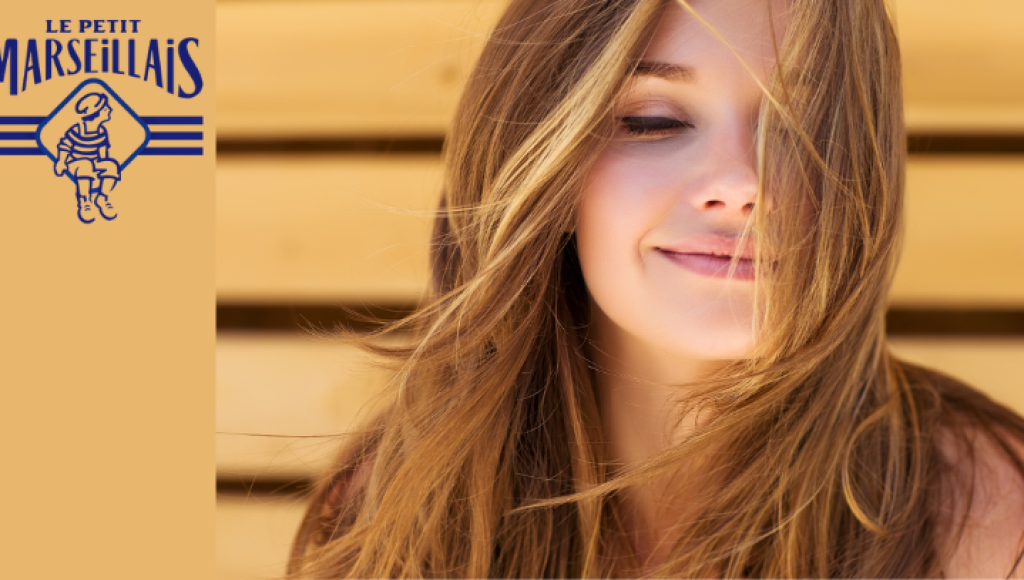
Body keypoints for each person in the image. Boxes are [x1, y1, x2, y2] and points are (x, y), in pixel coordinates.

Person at [287, 0, 1024, 576]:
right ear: (549, 163)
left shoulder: (993, 519)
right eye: (652, 121)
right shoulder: (387, 516)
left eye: (802, 130)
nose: (741, 185)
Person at [54, 92, 120, 223]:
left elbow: (103, 154)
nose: (110, 110)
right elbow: (65, 145)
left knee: (112, 165)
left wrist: (103, 168)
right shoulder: (77, 130)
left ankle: (102, 198)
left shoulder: (102, 132)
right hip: (75, 164)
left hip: (93, 163)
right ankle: (85, 202)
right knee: (85, 164)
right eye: (106, 108)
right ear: (95, 112)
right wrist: (61, 161)